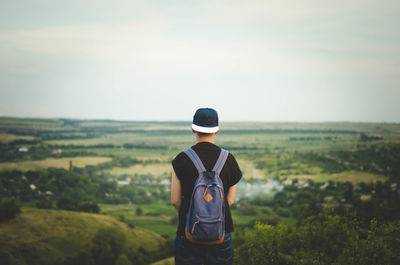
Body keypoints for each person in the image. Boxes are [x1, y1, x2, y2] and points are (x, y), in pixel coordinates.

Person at [171, 108, 242, 265]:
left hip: (188, 234)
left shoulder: (181, 159)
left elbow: (175, 201)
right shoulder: (229, 160)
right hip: (220, 235)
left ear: (193, 129)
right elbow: (229, 201)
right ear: (217, 131)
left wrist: (193, 217)